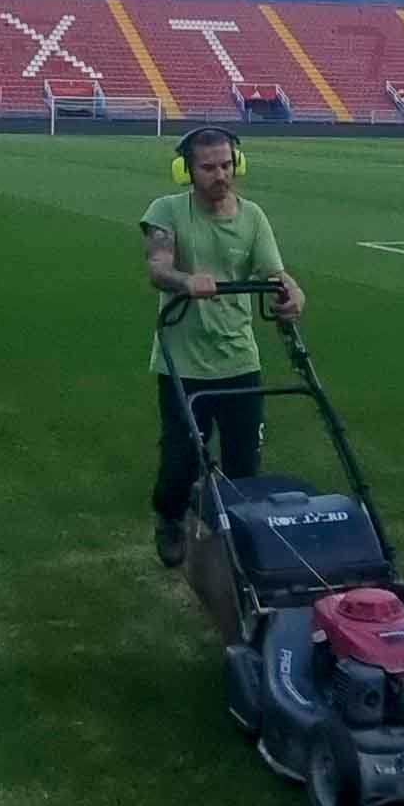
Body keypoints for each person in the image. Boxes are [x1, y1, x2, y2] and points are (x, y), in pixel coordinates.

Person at [140, 123, 305, 568]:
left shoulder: (253, 217)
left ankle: (235, 534)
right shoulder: (167, 211)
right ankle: (170, 518)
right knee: (180, 459)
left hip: (238, 357)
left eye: (227, 165)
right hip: (184, 361)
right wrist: (185, 280)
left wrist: (291, 292)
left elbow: (273, 272)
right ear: (186, 171)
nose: (220, 175)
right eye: (208, 167)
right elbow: (158, 267)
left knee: (244, 461)